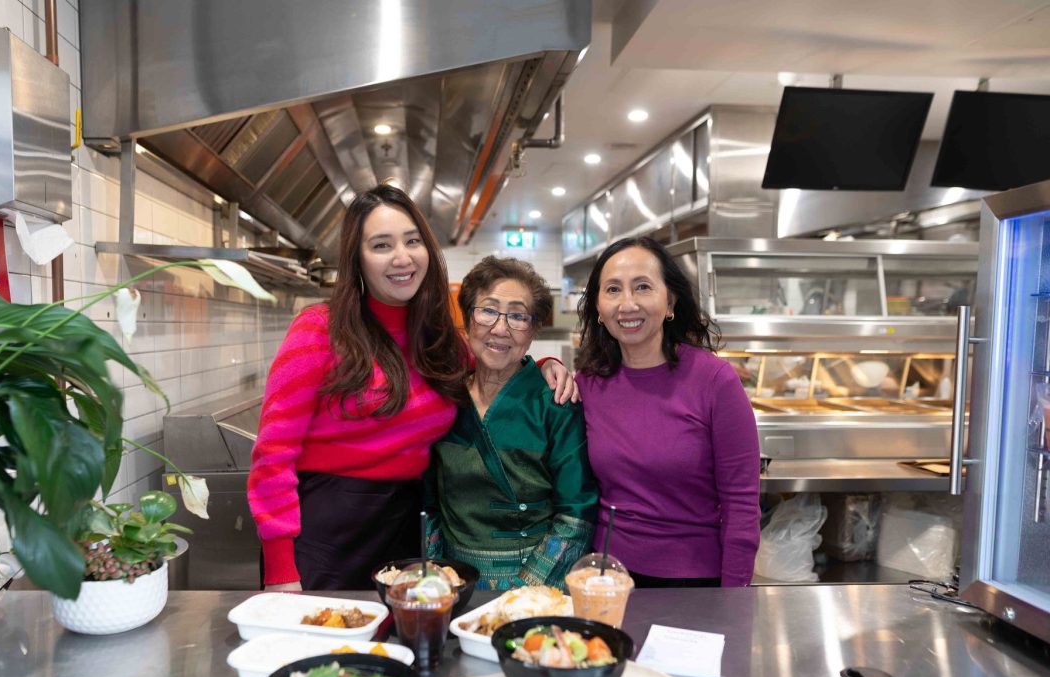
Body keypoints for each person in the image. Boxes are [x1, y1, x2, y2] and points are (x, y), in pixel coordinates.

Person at [246, 185, 575, 591]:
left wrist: (544, 366)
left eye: (413, 241)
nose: (402, 258)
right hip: (322, 534)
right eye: (381, 245)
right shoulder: (319, 330)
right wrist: (281, 568)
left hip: (407, 530)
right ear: (358, 259)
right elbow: (272, 454)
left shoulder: (441, 342)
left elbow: (496, 361)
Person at [576, 236, 760, 587]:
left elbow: (742, 505)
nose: (627, 304)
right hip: (607, 579)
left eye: (643, 287)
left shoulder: (714, 381)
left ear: (670, 301)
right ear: (598, 309)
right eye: (612, 290)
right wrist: (546, 364)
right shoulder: (588, 383)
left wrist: (734, 599)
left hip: (692, 582)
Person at [425, 257, 598, 590]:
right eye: (488, 310)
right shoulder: (444, 397)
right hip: (450, 581)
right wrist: (437, 579)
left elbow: (576, 514)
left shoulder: (555, 402)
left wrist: (523, 593)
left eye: (518, 316)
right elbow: (429, 505)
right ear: (467, 317)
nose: (500, 329)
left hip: (534, 584)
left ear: (533, 330)